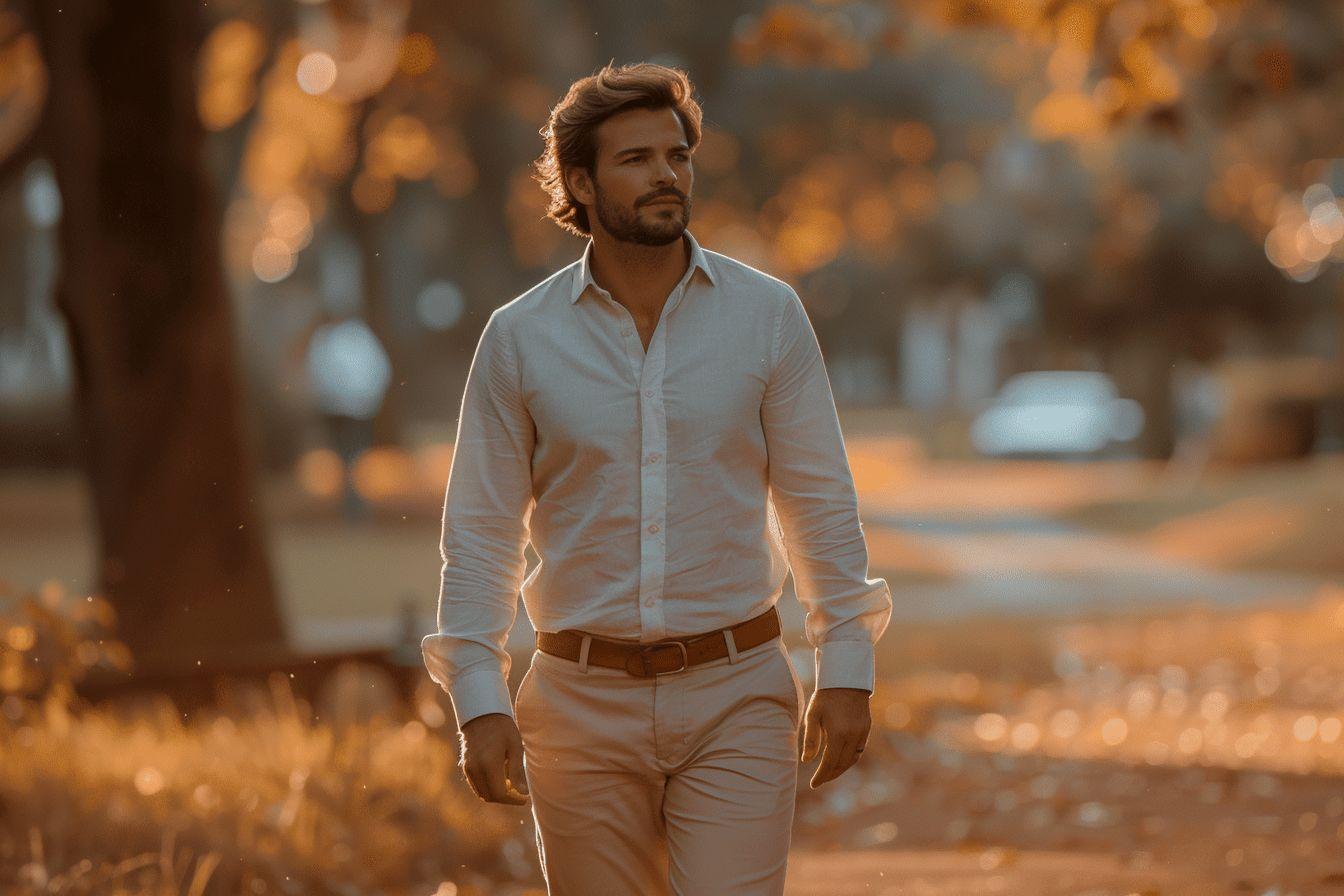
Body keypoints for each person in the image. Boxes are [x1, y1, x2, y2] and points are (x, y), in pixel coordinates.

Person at [421, 61, 892, 895]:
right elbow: (481, 534)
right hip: (576, 706)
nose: (667, 174)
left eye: (677, 155)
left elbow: (818, 503)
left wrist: (846, 665)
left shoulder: (767, 316)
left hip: (737, 694)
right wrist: (478, 696)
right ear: (580, 182)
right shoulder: (519, 340)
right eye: (636, 159)